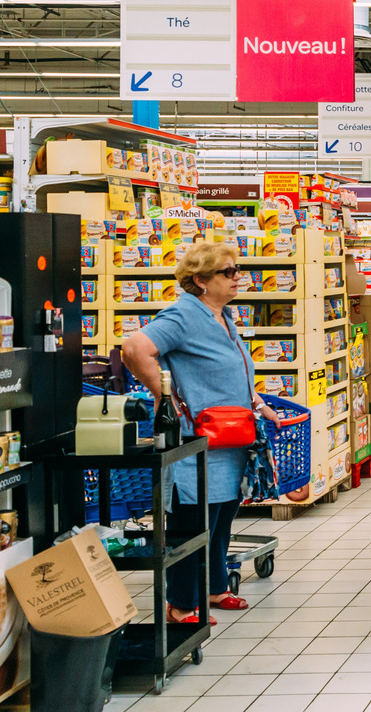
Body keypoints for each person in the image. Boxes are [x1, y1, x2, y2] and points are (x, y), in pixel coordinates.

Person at [122, 242, 281, 626]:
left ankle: (213, 589)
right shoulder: (183, 316)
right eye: (228, 271)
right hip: (198, 439)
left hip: (232, 436)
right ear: (201, 280)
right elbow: (134, 349)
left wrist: (258, 403)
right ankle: (179, 605)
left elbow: (231, 371)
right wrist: (167, 398)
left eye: (237, 269)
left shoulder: (223, 317)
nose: (237, 277)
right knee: (192, 521)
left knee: (222, 515)